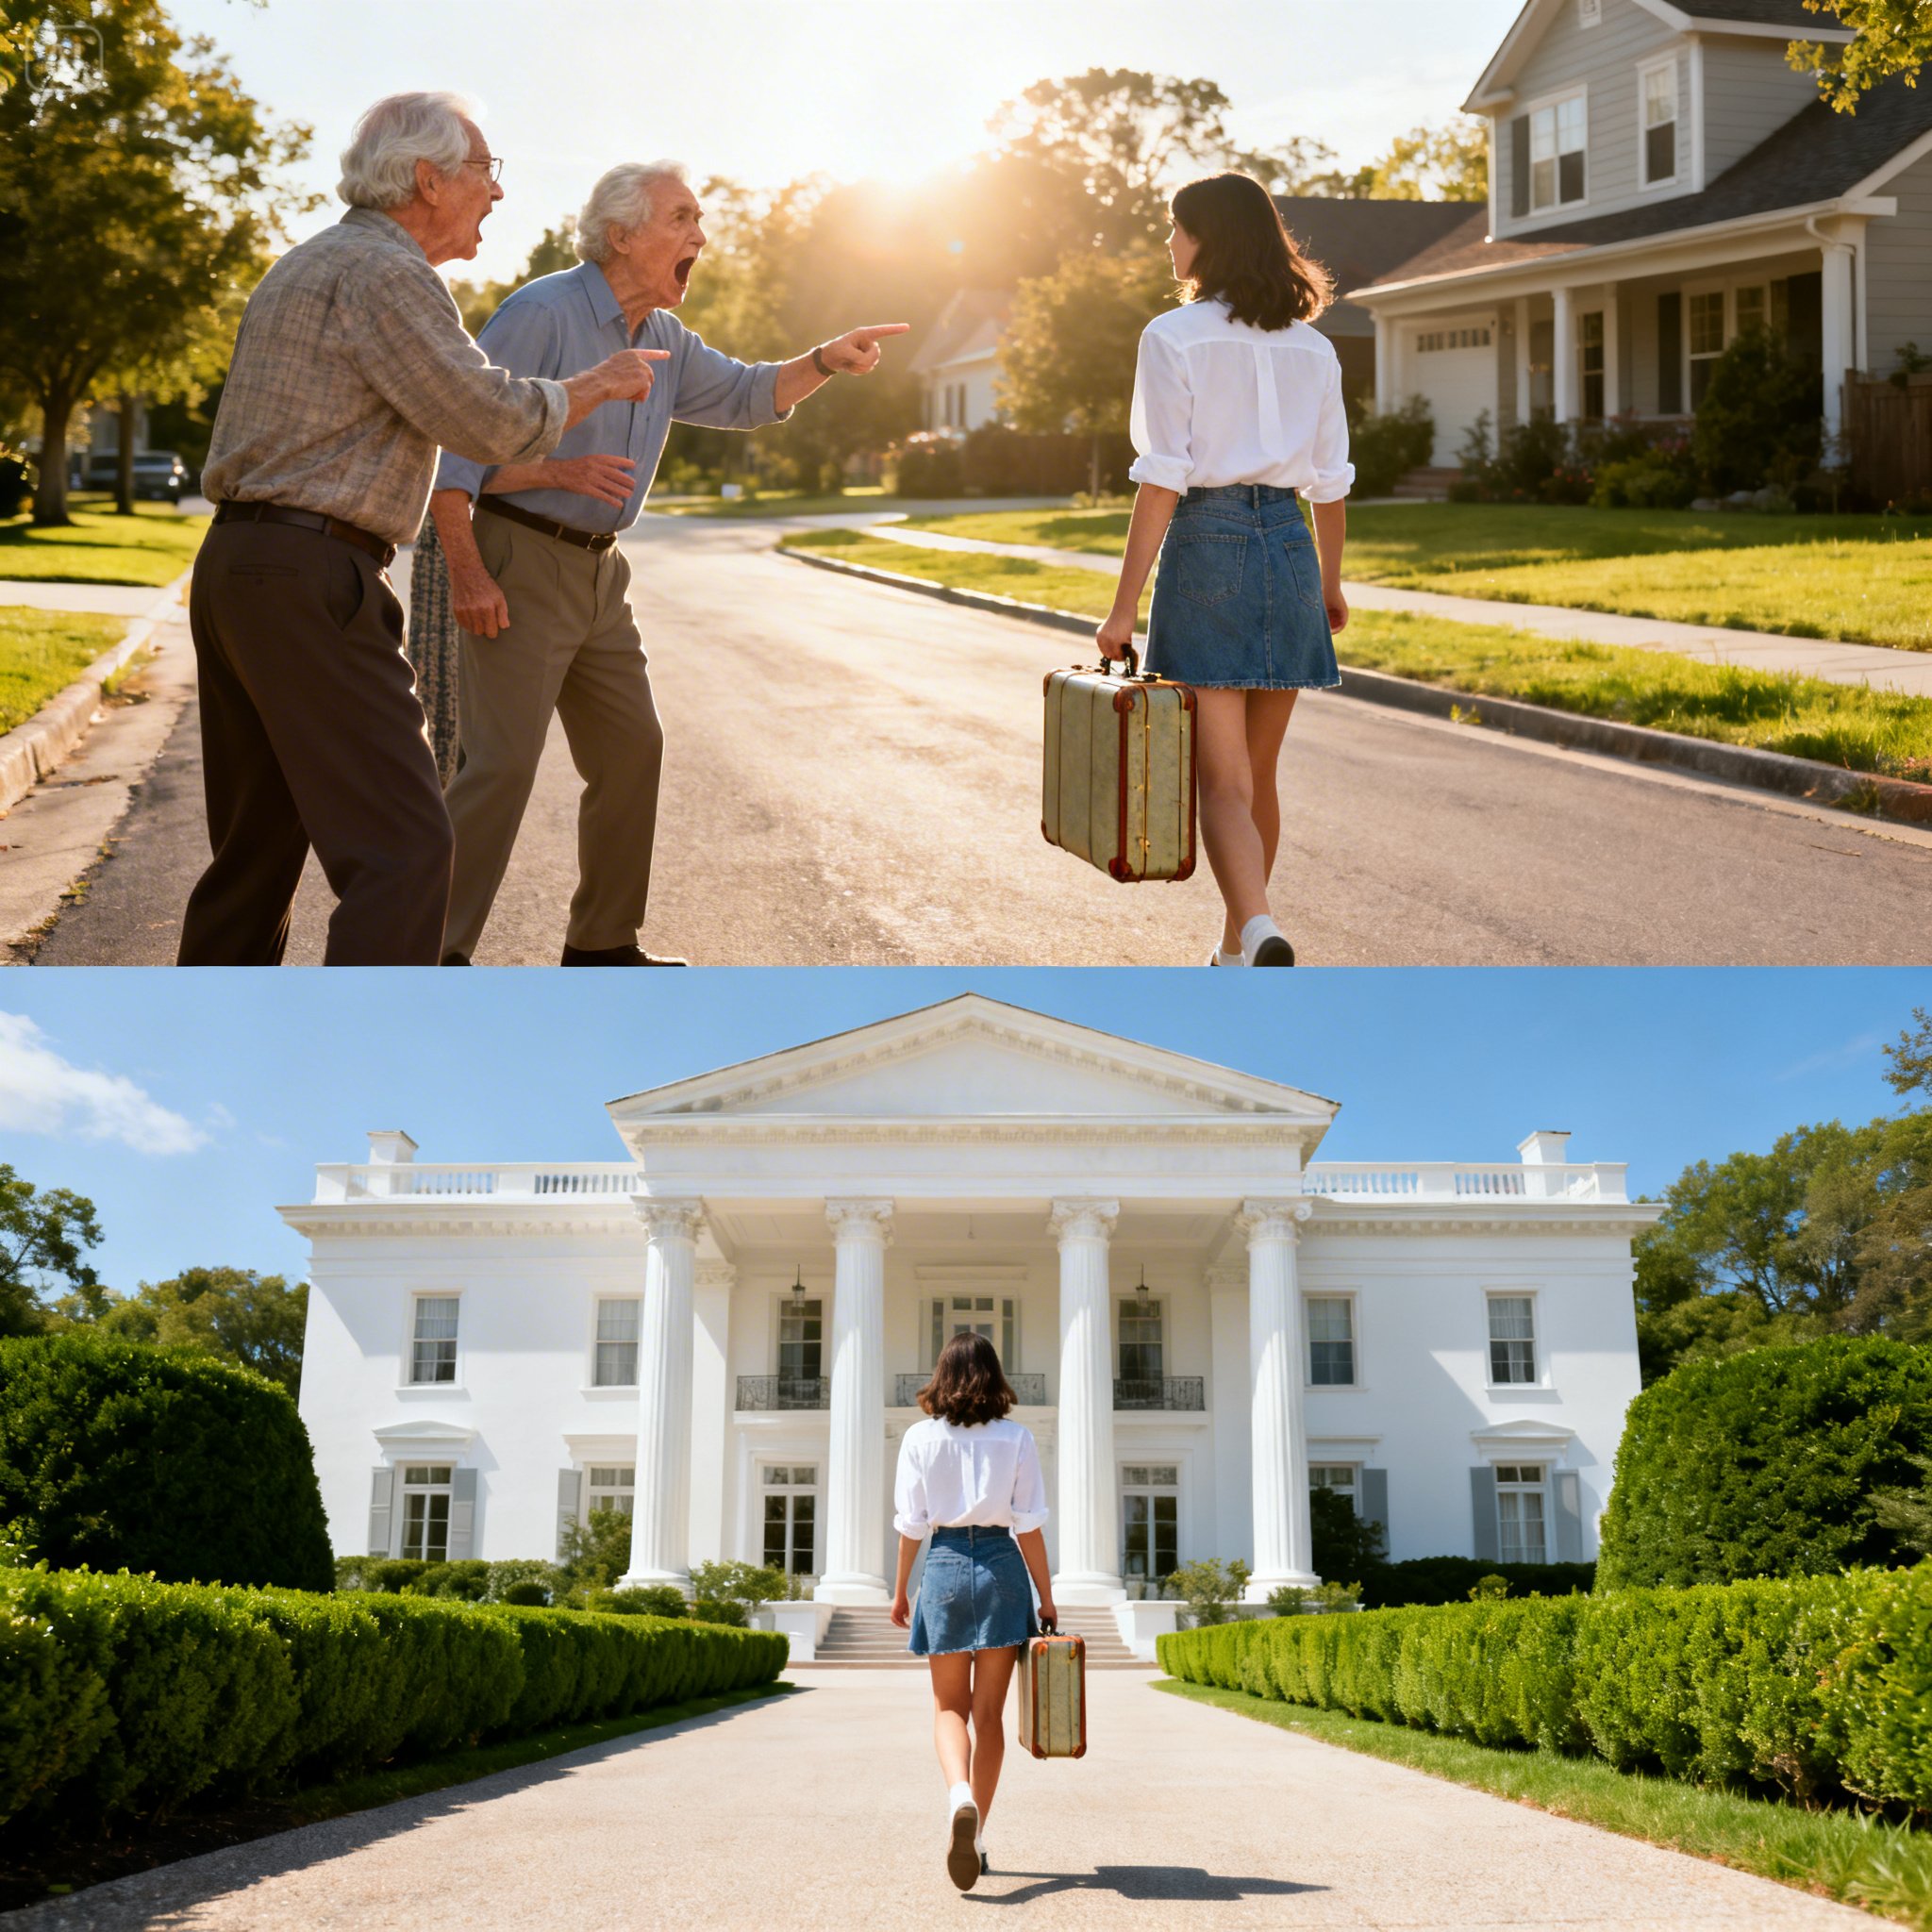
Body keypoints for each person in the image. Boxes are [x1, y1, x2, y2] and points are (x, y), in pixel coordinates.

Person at [185, 92, 664, 966]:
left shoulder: (311, 262)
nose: (497, 192)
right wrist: (595, 386)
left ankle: (212, 1057)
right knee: (407, 854)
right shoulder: (389, 273)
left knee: (251, 864)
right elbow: (482, 417)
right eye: (485, 171)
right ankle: (364, 1072)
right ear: (426, 179)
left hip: (241, 569)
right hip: (309, 575)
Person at [429, 161, 909, 966]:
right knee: (502, 768)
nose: (701, 235)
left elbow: (750, 395)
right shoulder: (540, 313)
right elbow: (455, 450)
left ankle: (602, 945)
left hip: (600, 575)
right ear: (621, 235)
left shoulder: (664, 336)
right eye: (682, 219)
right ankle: (429, 953)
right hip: (519, 558)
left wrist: (823, 360)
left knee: (631, 751)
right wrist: (471, 570)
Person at [1094, 172, 1353, 969]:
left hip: (1208, 545)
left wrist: (1121, 609)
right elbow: (1331, 481)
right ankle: (1239, 941)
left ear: (1207, 236)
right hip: (1289, 547)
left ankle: (1257, 927)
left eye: (1176, 229)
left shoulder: (1172, 336)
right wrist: (1331, 583)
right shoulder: (1315, 347)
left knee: (1222, 783)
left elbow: (1163, 474)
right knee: (1259, 777)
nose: (1169, 244)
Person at [889, 1330, 1055, 1893]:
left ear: (943, 1375)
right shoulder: (1017, 1438)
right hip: (1004, 1567)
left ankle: (957, 1794)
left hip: (945, 1565)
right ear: (993, 1377)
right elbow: (1028, 1523)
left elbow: (912, 1525)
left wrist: (900, 1591)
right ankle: (977, 1833)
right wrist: (1046, 1596)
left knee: (947, 1710)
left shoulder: (918, 1438)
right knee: (989, 1717)